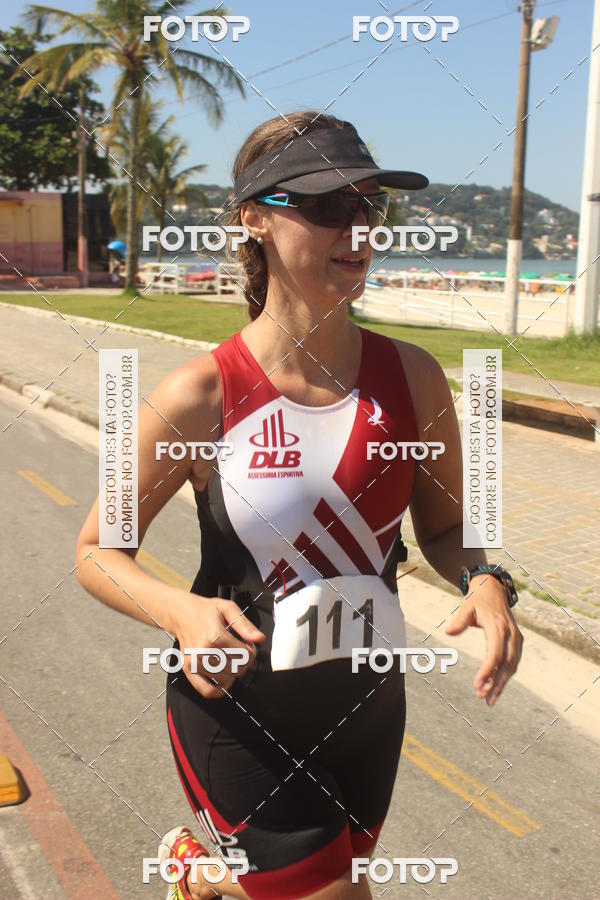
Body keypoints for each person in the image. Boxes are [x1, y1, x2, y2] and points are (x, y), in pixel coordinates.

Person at [76, 112, 523, 900]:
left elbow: (451, 524)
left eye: (368, 205)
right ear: (254, 217)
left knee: (330, 878)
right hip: (237, 715)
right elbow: (96, 552)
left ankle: (201, 871)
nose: (357, 227)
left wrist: (485, 580)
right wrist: (179, 612)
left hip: (367, 711)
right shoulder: (200, 394)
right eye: (325, 205)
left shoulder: (415, 379)